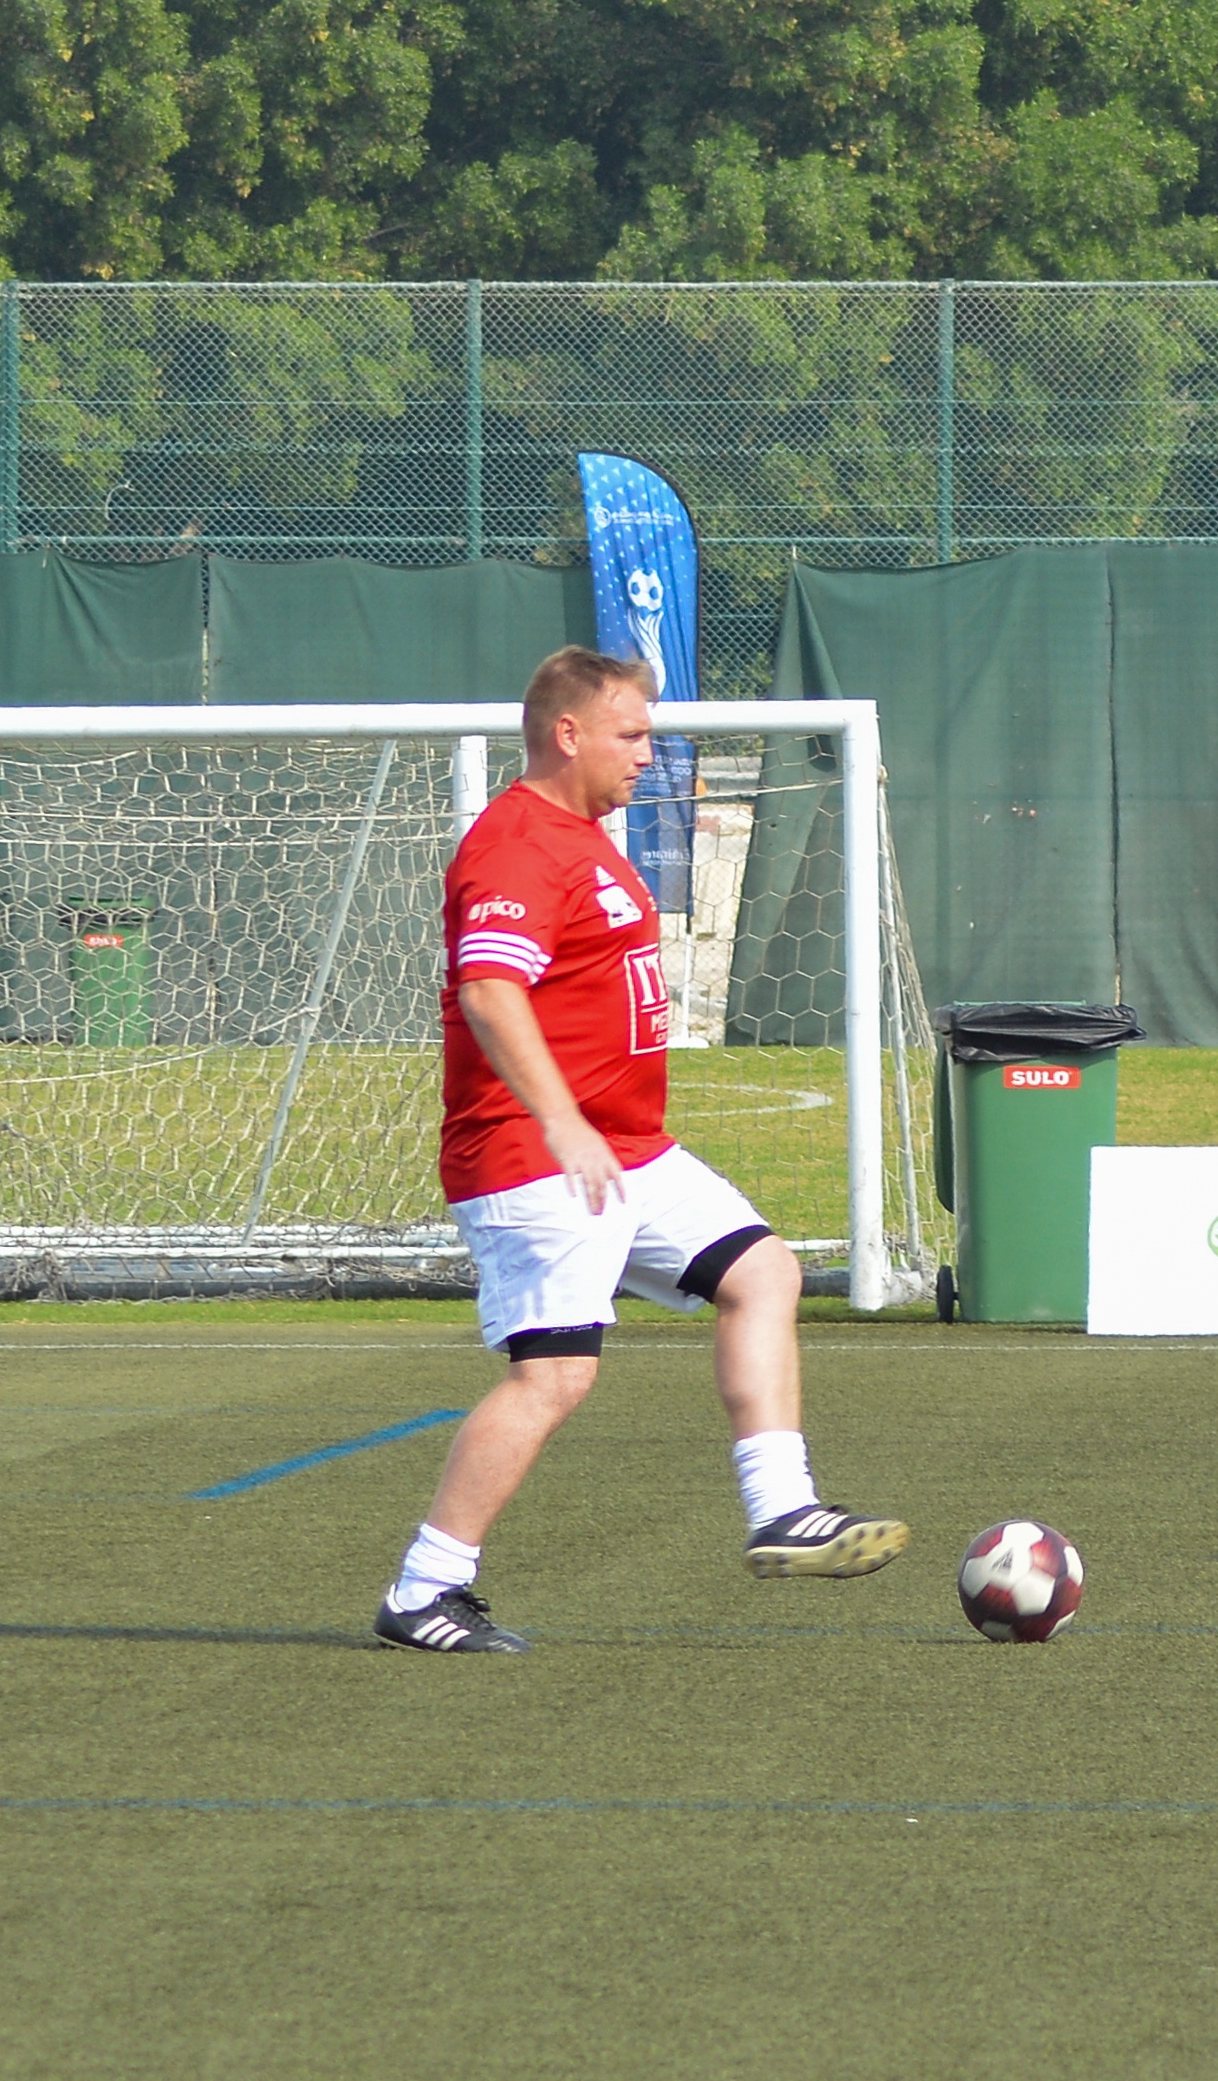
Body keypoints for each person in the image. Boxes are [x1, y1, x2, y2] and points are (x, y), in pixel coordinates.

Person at [374, 646, 902, 1654]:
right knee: (553, 1379)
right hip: (535, 1155)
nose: (648, 754)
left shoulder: (586, 839)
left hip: (626, 1151)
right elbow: (490, 991)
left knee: (763, 1272)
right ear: (567, 733)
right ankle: (423, 1590)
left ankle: (782, 1510)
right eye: (631, 733)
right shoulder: (517, 844)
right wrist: (561, 1118)